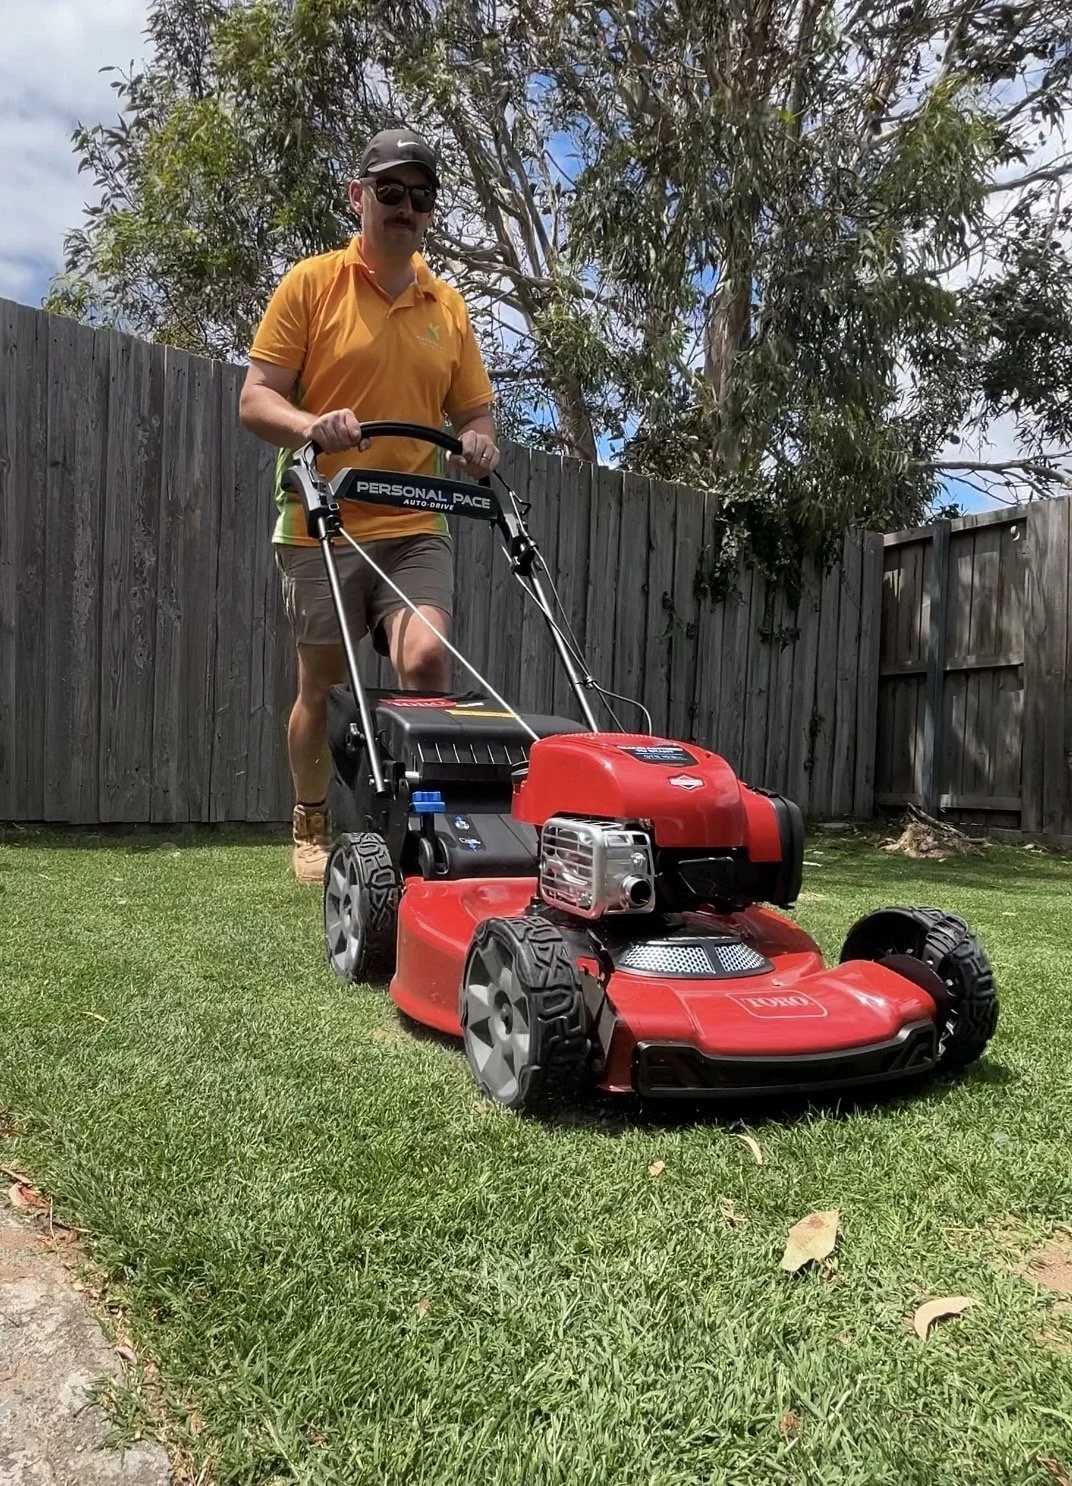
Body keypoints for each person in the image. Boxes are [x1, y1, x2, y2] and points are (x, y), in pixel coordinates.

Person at [239, 128, 500, 884]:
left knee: (426, 659)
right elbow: (255, 399)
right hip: (321, 520)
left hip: (415, 521)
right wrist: (310, 426)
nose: (406, 209)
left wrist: (478, 444)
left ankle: (424, 827)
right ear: (358, 197)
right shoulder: (312, 284)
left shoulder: (445, 308)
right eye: (391, 192)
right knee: (320, 683)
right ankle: (312, 820)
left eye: (421, 198)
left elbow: (477, 415)